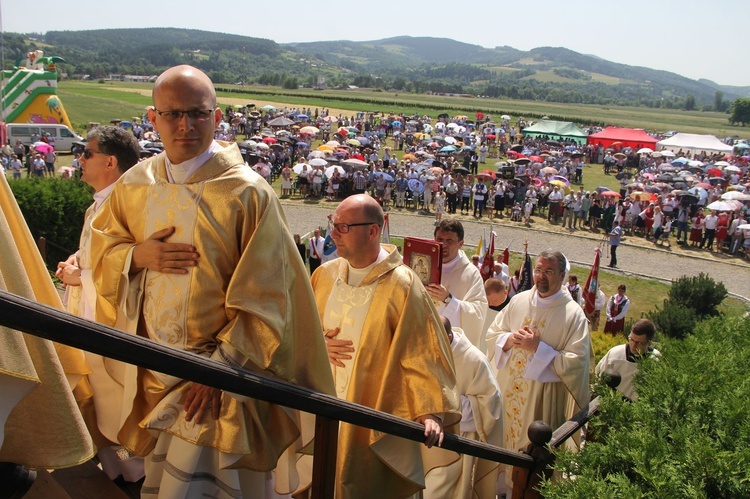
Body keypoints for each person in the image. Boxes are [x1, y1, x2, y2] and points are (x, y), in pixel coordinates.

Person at [89, 65, 334, 497]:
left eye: (198, 114)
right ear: (152, 118)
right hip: (154, 366)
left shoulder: (248, 193)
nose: (186, 126)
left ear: (217, 118)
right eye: (173, 114)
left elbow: (268, 297)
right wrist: (135, 256)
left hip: (219, 377)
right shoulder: (135, 184)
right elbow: (102, 249)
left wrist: (220, 370)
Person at [311, 194, 460, 498]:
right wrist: (318, 346)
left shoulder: (402, 285)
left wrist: (429, 410)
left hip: (369, 411)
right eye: (333, 224)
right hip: (322, 402)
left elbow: (422, 350)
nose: (333, 234)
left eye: (343, 227)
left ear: (373, 231)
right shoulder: (324, 275)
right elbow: (303, 328)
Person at [54, 126, 144, 483]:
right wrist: (76, 260)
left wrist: (83, 278)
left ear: (110, 161)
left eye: (86, 153)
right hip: (88, 315)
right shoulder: (101, 201)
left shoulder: (131, 204)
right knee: (97, 401)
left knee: (117, 405)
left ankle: (134, 473)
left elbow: (138, 267)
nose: (80, 159)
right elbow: (97, 253)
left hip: (112, 322)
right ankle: (114, 469)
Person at [485, 250, 591, 493]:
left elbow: (577, 363)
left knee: (533, 470)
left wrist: (538, 349)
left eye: (549, 272)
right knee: (502, 459)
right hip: (509, 393)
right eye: (539, 270)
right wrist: (509, 339)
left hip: (541, 402)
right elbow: (493, 335)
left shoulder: (573, 315)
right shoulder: (519, 300)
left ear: (563, 275)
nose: (542, 277)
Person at [424, 317, 503, 499]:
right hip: (428, 434)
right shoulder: (426, 350)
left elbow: (490, 407)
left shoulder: (474, 359)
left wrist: (443, 402)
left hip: (458, 439)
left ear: (449, 337)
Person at [427, 219, 488, 349]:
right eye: (439, 239)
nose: (443, 244)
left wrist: (448, 299)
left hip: (450, 347)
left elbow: (478, 313)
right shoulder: (424, 264)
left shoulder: (471, 274)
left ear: (461, 244)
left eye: (449, 241)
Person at [596, 319, 660, 401]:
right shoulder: (615, 353)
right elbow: (598, 376)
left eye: (639, 343)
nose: (633, 345)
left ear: (649, 342)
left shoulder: (655, 360)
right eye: (631, 339)